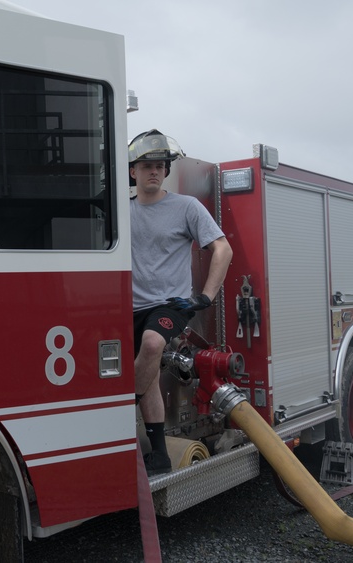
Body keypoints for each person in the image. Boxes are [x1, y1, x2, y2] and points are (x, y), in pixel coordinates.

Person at [128, 129, 233, 476]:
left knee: (153, 342)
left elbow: (222, 248)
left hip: (172, 303)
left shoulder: (185, 206)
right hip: (129, 306)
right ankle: (158, 455)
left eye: (160, 166)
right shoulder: (121, 211)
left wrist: (206, 296)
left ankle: (123, 411)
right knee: (150, 373)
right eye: (146, 166)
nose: (154, 172)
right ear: (133, 172)